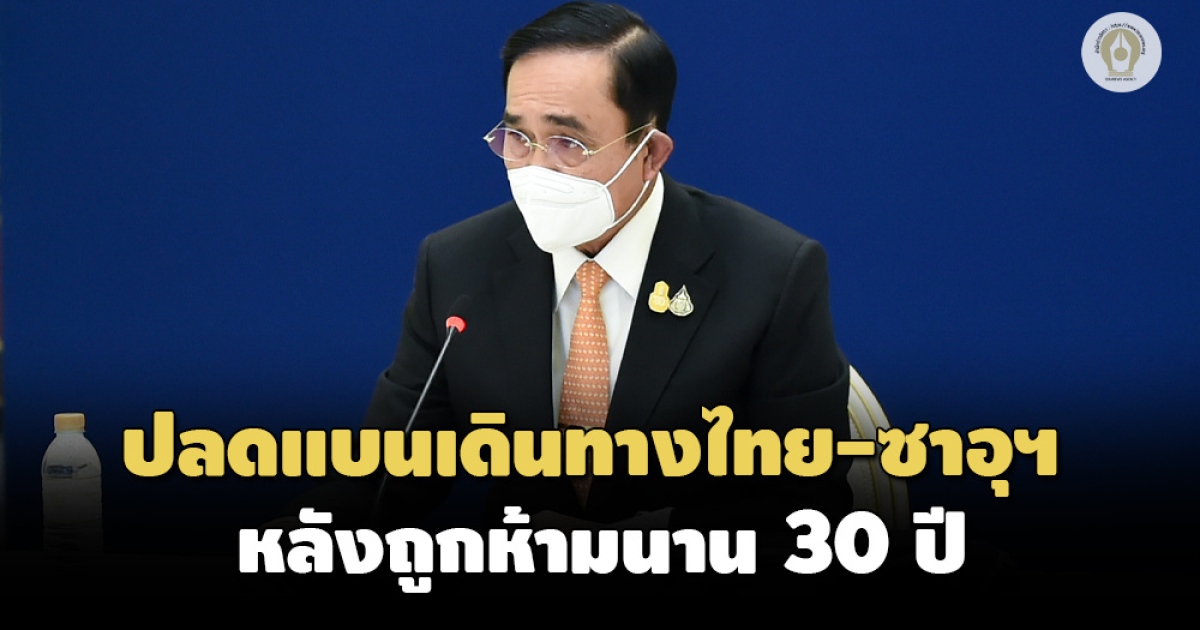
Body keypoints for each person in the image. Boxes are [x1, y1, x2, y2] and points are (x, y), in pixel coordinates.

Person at [295, 1, 851, 559]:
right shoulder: (457, 264)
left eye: (568, 143)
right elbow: (388, 471)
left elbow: (806, 505)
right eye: (517, 137)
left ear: (649, 154)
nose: (534, 169)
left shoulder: (771, 272)